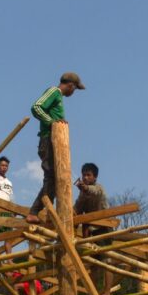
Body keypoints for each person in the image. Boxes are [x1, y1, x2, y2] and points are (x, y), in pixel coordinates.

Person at [26, 72, 86, 224]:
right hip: (48, 140)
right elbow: (36, 107)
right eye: (74, 89)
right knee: (52, 177)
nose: (73, 93)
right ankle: (36, 211)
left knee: (55, 177)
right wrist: (52, 123)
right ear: (71, 85)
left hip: (53, 141)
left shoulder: (58, 97)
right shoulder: (54, 91)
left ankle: (45, 210)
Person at [74, 162, 109, 237]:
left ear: (95, 177)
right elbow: (77, 209)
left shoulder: (99, 188)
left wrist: (86, 188)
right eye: (84, 175)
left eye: (88, 175)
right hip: (90, 229)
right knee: (81, 219)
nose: (85, 177)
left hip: (103, 227)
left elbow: (94, 190)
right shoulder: (82, 194)